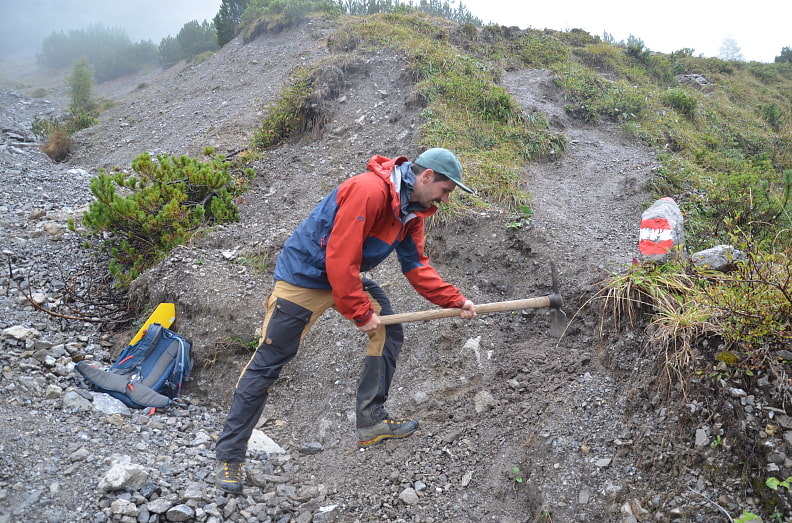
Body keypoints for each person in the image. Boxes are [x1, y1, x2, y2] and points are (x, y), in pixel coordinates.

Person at [214, 148, 477, 494]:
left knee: (388, 329)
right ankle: (231, 456)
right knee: (269, 361)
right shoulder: (368, 190)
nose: (444, 199)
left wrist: (454, 299)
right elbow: (340, 256)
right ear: (427, 177)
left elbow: (416, 267)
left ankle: (370, 421)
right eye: (445, 190)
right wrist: (360, 313)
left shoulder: (412, 213)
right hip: (303, 278)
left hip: (344, 276)